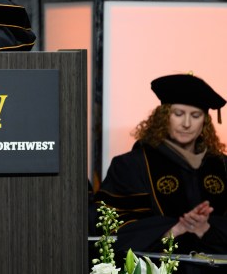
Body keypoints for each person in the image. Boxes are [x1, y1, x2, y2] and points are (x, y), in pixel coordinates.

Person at [93, 73, 227, 273]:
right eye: (178, 114)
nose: (187, 124)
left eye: (195, 115)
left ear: (205, 122)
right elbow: (110, 226)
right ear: (164, 117)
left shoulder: (222, 166)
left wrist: (206, 229)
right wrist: (174, 229)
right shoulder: (132, 165)